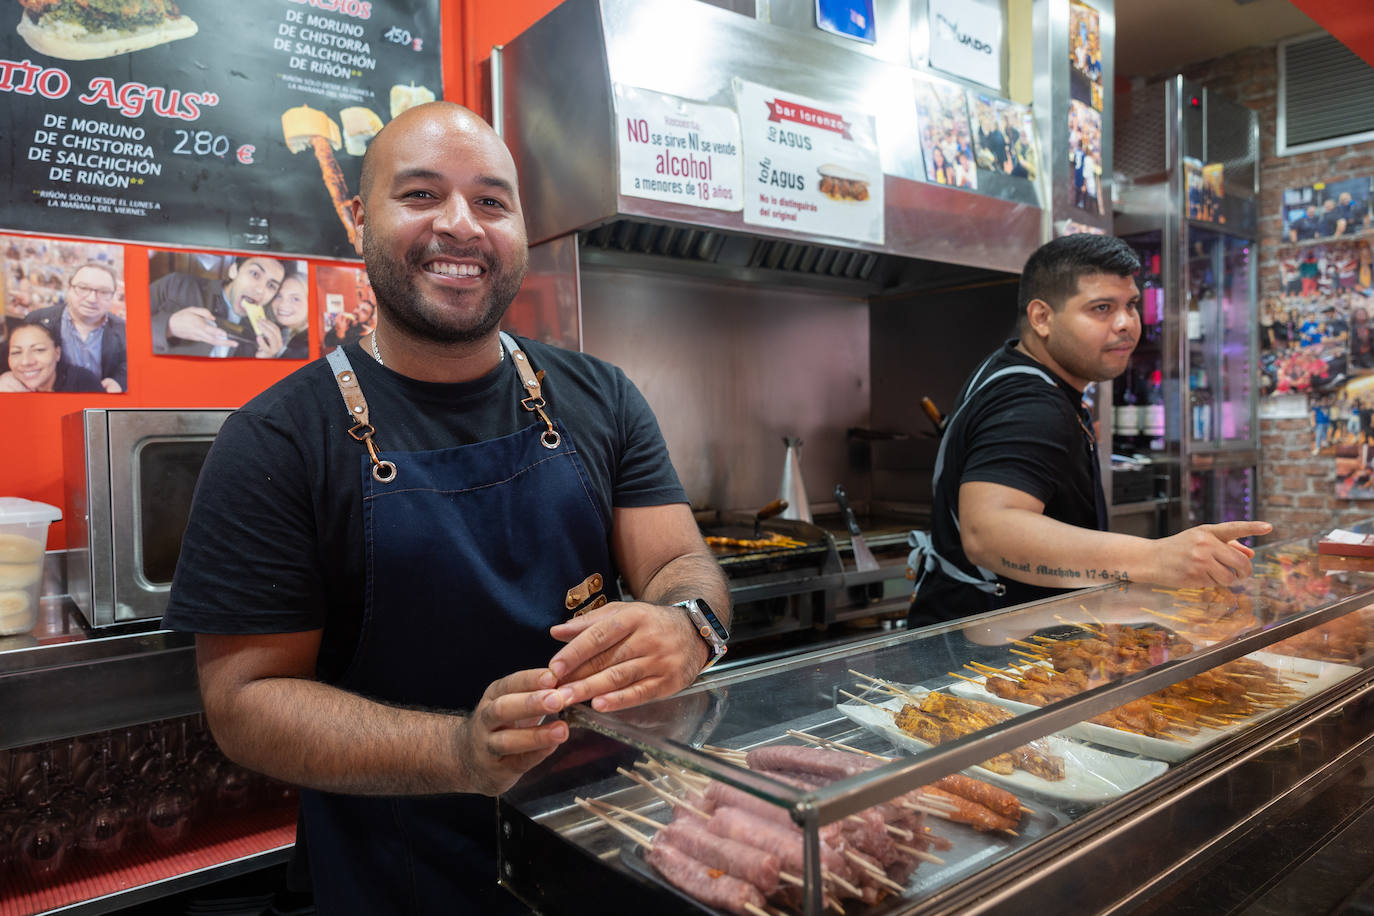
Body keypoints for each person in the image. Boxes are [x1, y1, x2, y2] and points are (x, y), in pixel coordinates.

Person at [160, 101, 729, 915]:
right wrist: (460, 750)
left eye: (491, 202)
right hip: (399, 872)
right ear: (359, 221)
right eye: (421, 195)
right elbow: (245, 704)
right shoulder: (277, 439)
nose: (462, 226)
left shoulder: (602, 395)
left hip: (614, 842)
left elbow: (681, 565)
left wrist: (689, 626)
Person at [908, 234, 1270, 627]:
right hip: (984, 661)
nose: (1126, 324)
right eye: (1101, 308)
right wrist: (1158, 558)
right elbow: (989, 533)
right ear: (1042, 317)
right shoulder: (1031, 403)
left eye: (1131, 305)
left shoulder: (1013, 369)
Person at [149, 256, 289, 357]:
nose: (260, 290)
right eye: (255, 274)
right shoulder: (176, 284)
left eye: (271, 285)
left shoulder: (270, 333)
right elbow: (127, 329)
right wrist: (169, 327)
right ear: (233, 271)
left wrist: (268, 362)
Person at [22, 260, 127, 392]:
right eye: (83, 288)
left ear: (112, 296)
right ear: (69, 289)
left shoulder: (124, 329)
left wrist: (118, 381)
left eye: (104, 291)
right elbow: (15, 357)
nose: (92, 299)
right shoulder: (37, 320)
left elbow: (130, 364)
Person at [0, 321, 103, 393]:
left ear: (57, 353)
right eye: (16, 352)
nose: (26, 361)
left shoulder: (83, 383)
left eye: (39, 350)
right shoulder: (6, 386)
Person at [263, 273, 310, 359]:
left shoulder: (307, 348)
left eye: (295, 299)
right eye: (279, 296)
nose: (282, 304)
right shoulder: (283, 332)